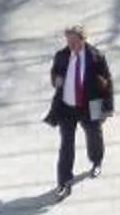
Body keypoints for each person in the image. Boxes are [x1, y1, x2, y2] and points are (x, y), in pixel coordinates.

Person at [44, 23, 113, 195]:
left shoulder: (96, 57)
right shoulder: (61, 56)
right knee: (66, 144)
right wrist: (56, 80)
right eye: (68, 41)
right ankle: (64, 182)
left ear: (83, 40)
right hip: (67, 106)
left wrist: (108, 107)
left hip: (91, 104)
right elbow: (55, 73)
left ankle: (96, 161)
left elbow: (107, 83)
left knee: (94, 135)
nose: (70, 45)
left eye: (74, 41)